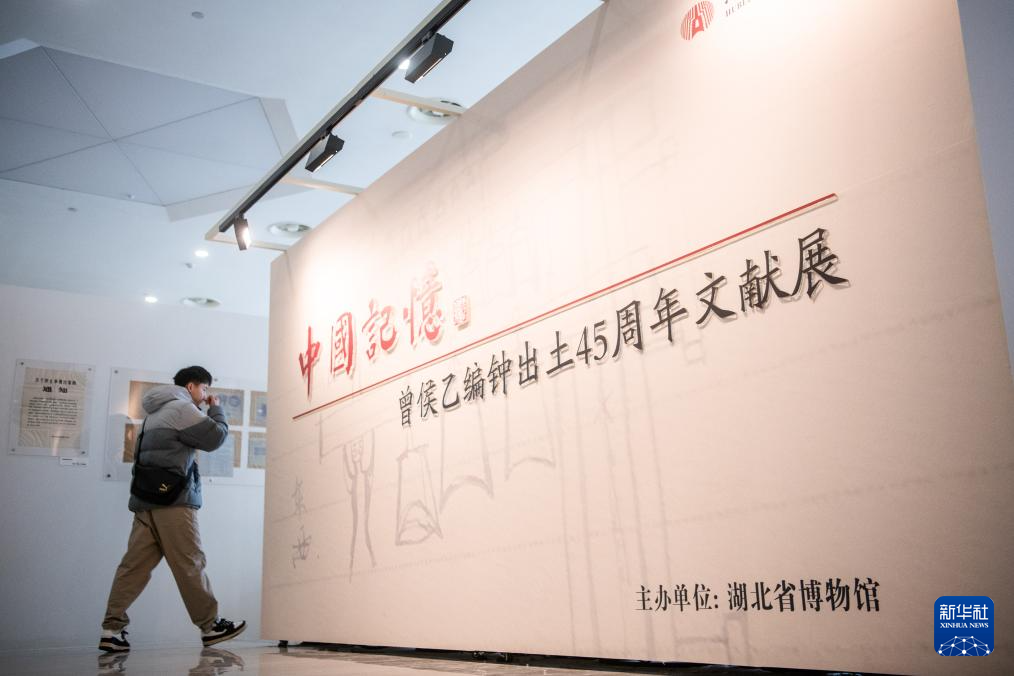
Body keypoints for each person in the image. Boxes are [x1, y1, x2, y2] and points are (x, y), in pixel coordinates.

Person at [99, 366, 246, 652]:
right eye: (204, 389)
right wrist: (216, 409)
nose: (205, 395)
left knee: (133, 568)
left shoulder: (153, 413)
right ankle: (211, 626)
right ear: (191, 386)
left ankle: (111, 629)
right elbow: (215, 437)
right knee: (190, 562)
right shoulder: (181, 408)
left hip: (146, 501)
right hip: (174, 501)